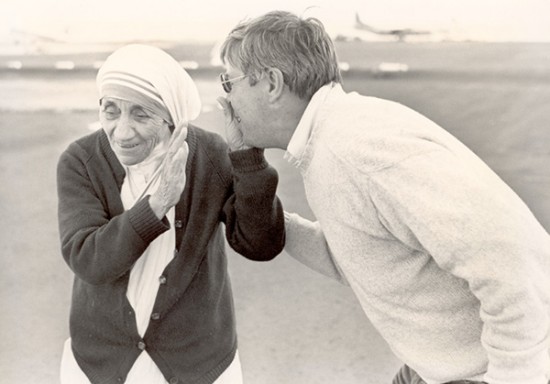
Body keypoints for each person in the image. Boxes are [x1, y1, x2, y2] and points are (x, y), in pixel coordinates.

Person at [217, 10, 550, 384]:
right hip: (435, 368)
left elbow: (512, 260)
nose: (225, 98)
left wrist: (512, 376)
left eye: (229, 82)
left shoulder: (360, 149)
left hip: (483, 372)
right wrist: (268, 216)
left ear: (272, 83)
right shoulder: (332, 138)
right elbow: (364, 254)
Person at [57, 44, 285, 384]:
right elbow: (89, 259)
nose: (122, 131)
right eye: (111, 111)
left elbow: (260, 245)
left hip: (199, 362)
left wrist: (247, 159)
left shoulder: (211, 155)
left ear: (171, 115)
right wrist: (156, 206)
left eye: (141, 113)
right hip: (102, 363)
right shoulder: (81, 161)